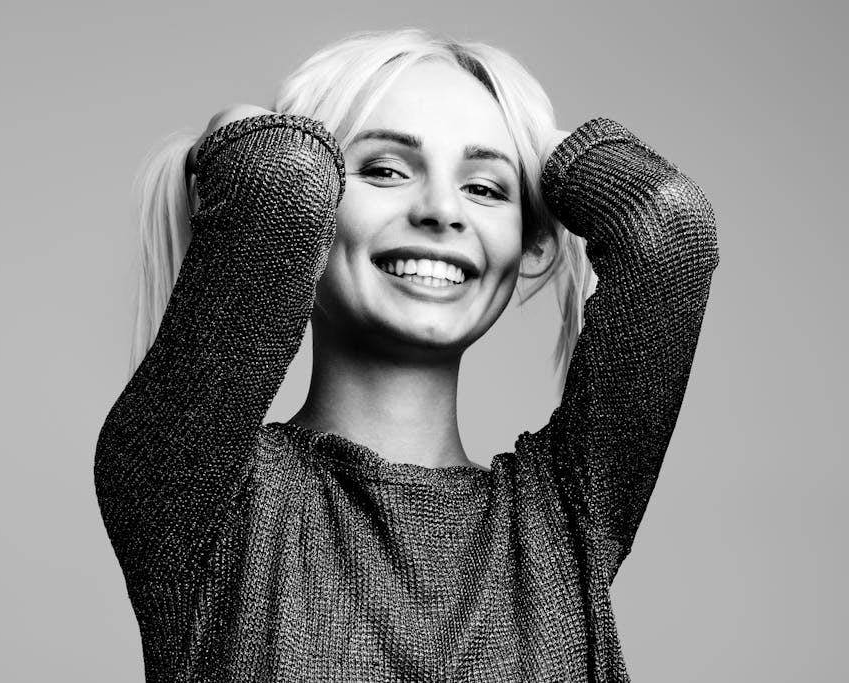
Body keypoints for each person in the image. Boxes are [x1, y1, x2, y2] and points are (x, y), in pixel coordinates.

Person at [94, 28, 720, 682]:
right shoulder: (196, 496)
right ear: (318, 211)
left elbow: (666, 228)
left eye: (485, 188)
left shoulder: (564, 518)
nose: (442, 211)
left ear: (531, 239)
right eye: (386, 171)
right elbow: (278, 176)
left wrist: (541, 147)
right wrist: (238, 133)